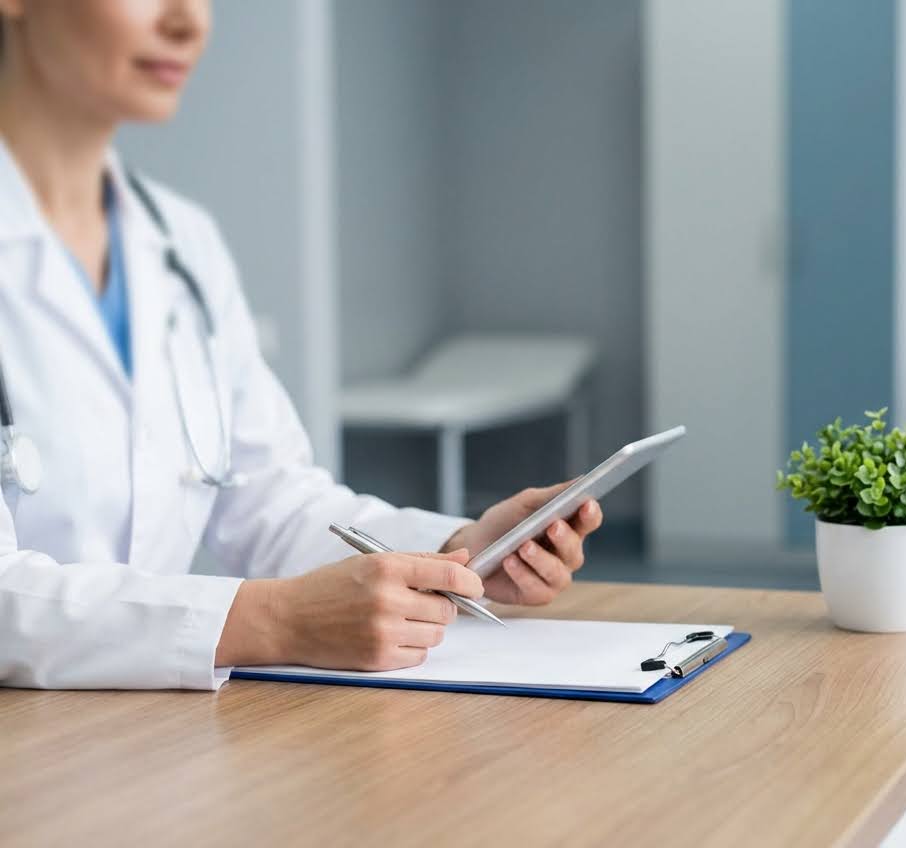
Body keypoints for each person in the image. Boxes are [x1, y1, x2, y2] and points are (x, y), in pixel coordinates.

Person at [0, 0, 601, 690]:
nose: (189, 22)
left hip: (146, 732)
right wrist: (273, 620)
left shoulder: (180, 242)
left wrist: (459, 553)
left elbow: (273, 503)